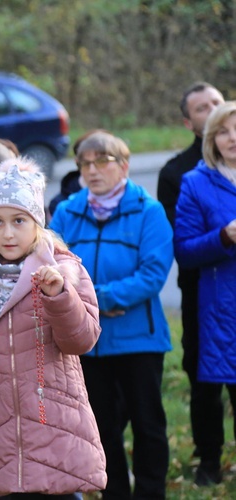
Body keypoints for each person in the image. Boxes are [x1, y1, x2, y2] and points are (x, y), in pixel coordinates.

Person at [0, 159, 107, 498]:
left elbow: (82, 340)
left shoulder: (62, 270)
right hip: (2, 434)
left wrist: (59, 297)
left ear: (37, 222)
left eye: (19, 221)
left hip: (57, 426)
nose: (8, 233)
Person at [50, 131, 173, 499]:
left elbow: (153, 273)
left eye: (102, 161)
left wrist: (95, 298)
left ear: (124, 166)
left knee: (148, 423)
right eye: (85, 163)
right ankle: (114, 492)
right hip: (88, 344)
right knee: (102, 427)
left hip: (139, 339)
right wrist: (93, 303)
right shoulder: (66, 211)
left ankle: (151, 492)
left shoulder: (148, 211)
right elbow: (52, 262)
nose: (92, 170)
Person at [158, 82, 226, 486]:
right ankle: (209, 460)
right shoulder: (177, 173)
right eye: (203, 108)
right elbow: (178, 239)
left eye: (218, 103)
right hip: (201, 290)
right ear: (189, 122)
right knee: (204, 381)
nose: (213, 110)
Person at [174, 100, 236, 487]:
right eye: (225, 132)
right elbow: (184, 249)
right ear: (211, 138)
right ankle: (209, 463)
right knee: (211, 390)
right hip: (221, 305)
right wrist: (223, 237)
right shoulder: (196, 182)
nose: (233, 139)